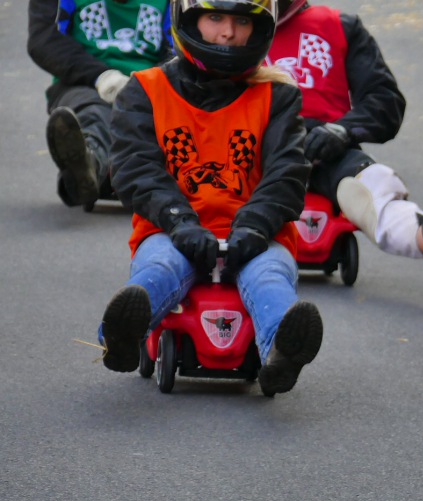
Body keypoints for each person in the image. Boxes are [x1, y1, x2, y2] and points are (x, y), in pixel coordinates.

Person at [98, 0, 323, 397]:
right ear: (188, 19)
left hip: (258, 233)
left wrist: (255, 224)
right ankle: (120, 337)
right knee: (162, 265)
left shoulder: (278, 94)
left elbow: (287, 173)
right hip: (170, 229)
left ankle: (281, 355)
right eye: (215, 18)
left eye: (241, 22)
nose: (228, 33)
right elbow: (137, 170)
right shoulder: (147, 89)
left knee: (269, 276)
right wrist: (180, 221)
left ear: (260, 28)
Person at [265, 0, 423, 282]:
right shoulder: (225, 30)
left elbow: (385, 102)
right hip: (254, 149)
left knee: (371, 181)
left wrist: (342, 131)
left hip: (327, 149)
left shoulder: (339, 27)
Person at [28, 0, 173, 209]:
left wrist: (152, 82)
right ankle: (87, 168)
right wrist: (101, 76)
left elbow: (181, 45)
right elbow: (44, 41)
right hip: (83, 83)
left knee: (165, 119)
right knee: (94, 114)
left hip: (151, 84)